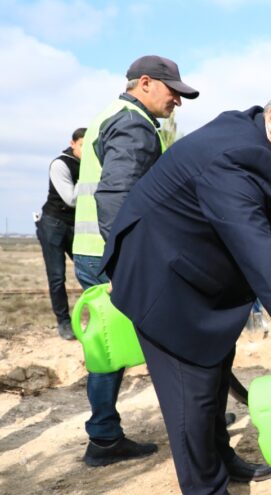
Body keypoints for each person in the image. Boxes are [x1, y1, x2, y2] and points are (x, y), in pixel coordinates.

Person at [100, 81, 271, 495]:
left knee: (217, 369)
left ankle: (220, 457)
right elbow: (256, 246)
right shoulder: (231, 156)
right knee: (192, 390)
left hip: (202, 275)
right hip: (165, 280)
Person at [72, 55, 198, 467]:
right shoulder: (132, 123)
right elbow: (115, 196)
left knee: (109, 345)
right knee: (142, 341)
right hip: (109, 256)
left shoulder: (111, 114)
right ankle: (191, 424)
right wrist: (120, 262)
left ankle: (106, 435)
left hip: (94, 251)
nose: (177, 101)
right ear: (145, 83)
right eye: (172, 91)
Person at [37, 127, 85, 340]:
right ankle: (63, 322)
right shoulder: (60, 164)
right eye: (83, 145)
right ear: (73, 143)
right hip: (53, 224)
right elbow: (71, 199)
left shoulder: (91, 164)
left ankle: (100, 317)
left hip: (77, 225)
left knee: (89, 270)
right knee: (57, 277)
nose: (87, 150)